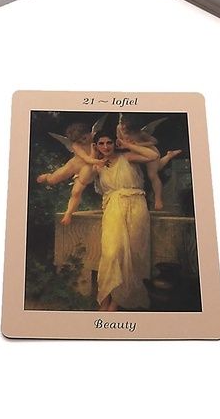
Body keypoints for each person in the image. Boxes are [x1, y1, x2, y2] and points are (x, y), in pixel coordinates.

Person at [91, 129, 159, 312]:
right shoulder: (97, 166)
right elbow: (85, 178)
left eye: (109, 142)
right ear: (96, 146)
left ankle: (117, 302)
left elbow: (153, 155)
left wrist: (127, 144)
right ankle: (104, 300)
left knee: (134, 254)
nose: (106, 147)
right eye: (101, 143)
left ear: (115, 143)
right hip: (113, 208)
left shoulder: (127, 157)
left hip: (136, 206)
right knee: (111, 253)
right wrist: (93, 156)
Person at [37, 122, 106, 224]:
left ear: (88, 132)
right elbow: (86, 158)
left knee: (76, 192)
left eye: (84, 138)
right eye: (79, 141)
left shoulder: (96, 138)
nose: (83, 141)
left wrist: (97, 158)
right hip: (74, 165)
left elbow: (96, 156)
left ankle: (68, 213)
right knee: (52, 180)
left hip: (88, 169)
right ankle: (48, 176)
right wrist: (98, 161)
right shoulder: (76, 145)